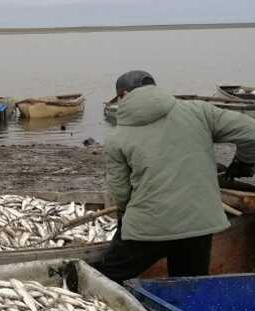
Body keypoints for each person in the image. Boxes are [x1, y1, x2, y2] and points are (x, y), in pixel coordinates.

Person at [97, 70, 255, 282]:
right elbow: (251, 133)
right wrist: (243, 162)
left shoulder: (117, 137)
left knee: (106, 279)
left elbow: (121, 194)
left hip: (148, 228)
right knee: (188, 286)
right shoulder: (200, 111)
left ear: (123, 95)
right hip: (199, 224)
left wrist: (128, 217)